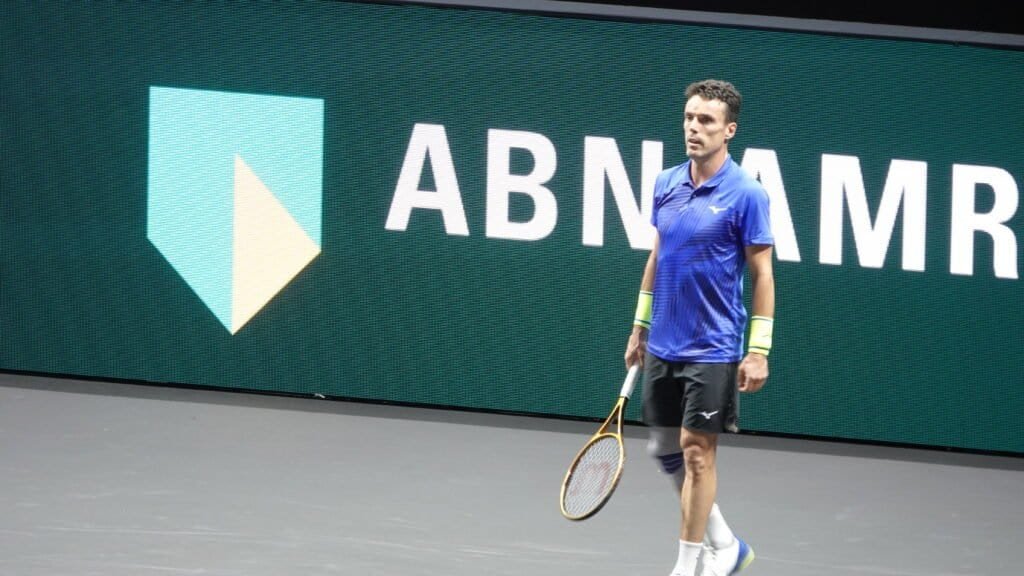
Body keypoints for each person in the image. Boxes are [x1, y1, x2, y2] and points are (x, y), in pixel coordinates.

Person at [624, 79, 774, 576]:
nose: (693, 127)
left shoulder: (747, 194)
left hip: (713, 347)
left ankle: (689, 565)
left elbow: (763, 274)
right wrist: (640, 324)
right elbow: (658, 255)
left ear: (729, 130)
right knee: (664, 448)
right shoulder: (665, 183)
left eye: (706, 120)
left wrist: (758, 349)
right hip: (664, 341)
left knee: (697, 454)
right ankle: (726, 544)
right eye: (689, 117)